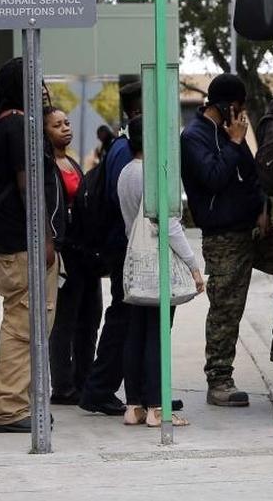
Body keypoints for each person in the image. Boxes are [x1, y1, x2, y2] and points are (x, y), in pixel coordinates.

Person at [0, 57, 64, 433]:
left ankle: (26, 403)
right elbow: (28, 188)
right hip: (22, 246)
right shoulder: (18, 126)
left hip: (8, 243)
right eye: (35, 81)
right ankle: (9, 408)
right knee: (23, 327)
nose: (43, 88)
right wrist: (45, 239)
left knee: (29, 325)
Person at [180, 73, 273, 407]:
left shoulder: (228, 135)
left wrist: (263, 210)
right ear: (226, 106)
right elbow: (213, 178)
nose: (241, 116)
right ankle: (219, 380)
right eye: (237, 108)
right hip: (224, 236)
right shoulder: (194, 137)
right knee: (226, 309)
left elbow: (252, 176)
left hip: (252, 228)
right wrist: (236, 142)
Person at [117, 116, 204, 428]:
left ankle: (134, 405)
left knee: (136, 334)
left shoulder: (126, 172)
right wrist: (194, 265)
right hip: (157, 266)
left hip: (135, 262)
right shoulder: (153, 175)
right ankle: (156, 407)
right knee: (157, 334)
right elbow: (169, 224)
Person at [79, 82, 143, 416]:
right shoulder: (125, 150)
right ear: (137, 110)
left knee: (129, 317)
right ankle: (100, 388)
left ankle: (139, 390)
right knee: (123, 317)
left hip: (124, 245)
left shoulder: (121, 147)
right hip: (125, 247)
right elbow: (126, 203)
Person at [44, 106, 103, 405]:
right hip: (64, 252)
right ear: (44, 132)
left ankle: (84, 378)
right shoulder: (45, 166)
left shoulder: (71, 162)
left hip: (84, 252)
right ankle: (63, 386)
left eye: (67, 123)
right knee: (65, 321)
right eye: (57, 125)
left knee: (91, 316)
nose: (65, 128)